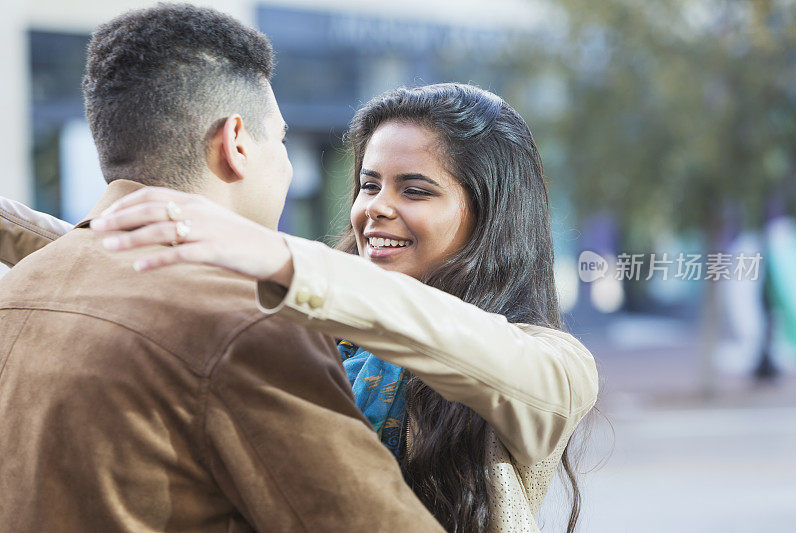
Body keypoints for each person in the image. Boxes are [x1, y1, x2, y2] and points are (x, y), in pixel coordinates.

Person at [5, 83, 598, 531]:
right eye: (369, 185)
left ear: (491, 217)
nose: (376, 209)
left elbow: (441, 332)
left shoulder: (552, 368)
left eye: (414, 190)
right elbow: (102, 254)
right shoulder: (316, 313)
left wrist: (276, 254)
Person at [0, 5, 444, 532]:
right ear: (235, 142)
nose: (286, 164)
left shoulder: (20, 286)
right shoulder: (249, 320)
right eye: (278, 140)